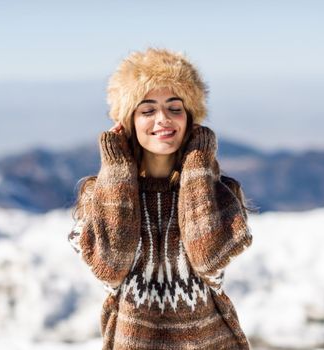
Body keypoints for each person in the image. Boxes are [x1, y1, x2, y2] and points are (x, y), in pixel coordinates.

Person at [68, 48, 254, 349]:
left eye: (175, 108)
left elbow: (208, 259)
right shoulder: (98, 195)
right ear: (128, 120)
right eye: (147, 109)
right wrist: (116, 168)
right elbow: (111, 268)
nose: (163, 119)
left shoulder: (220, 192)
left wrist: (197, 163)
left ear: (191, 118)